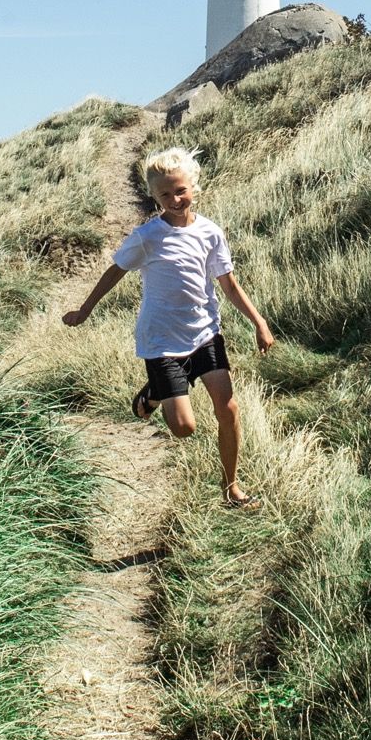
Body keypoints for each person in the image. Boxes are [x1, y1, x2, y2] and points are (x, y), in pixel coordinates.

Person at [62, 145, 274, 509]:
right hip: (161, 340)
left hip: (206, 332)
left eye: (180, 190)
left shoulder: (211, 232)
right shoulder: (148, 236)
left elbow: (229, 284)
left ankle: (231, 488)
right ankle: (153, 394)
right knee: (183, 428)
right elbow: (115, 271)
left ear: (193, 186)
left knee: (229, 409)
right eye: (165, 194)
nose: (175, 199)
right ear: (154, 196)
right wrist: (85, 310)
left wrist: (259, 322)